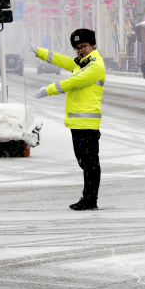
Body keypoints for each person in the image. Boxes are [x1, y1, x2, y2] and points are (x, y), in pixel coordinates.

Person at [27, 28, 105, 211]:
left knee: (90, 164)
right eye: (77, 48)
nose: (80, 50)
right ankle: (88, 198)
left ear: (93, 45)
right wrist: (39, 51)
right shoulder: (82, 64)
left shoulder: (95, 66)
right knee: (84, 163)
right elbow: (62, 59)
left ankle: (90, 200)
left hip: (87, 124)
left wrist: (48, 90)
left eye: (84, 46)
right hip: (77, 123)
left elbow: (74, 82)